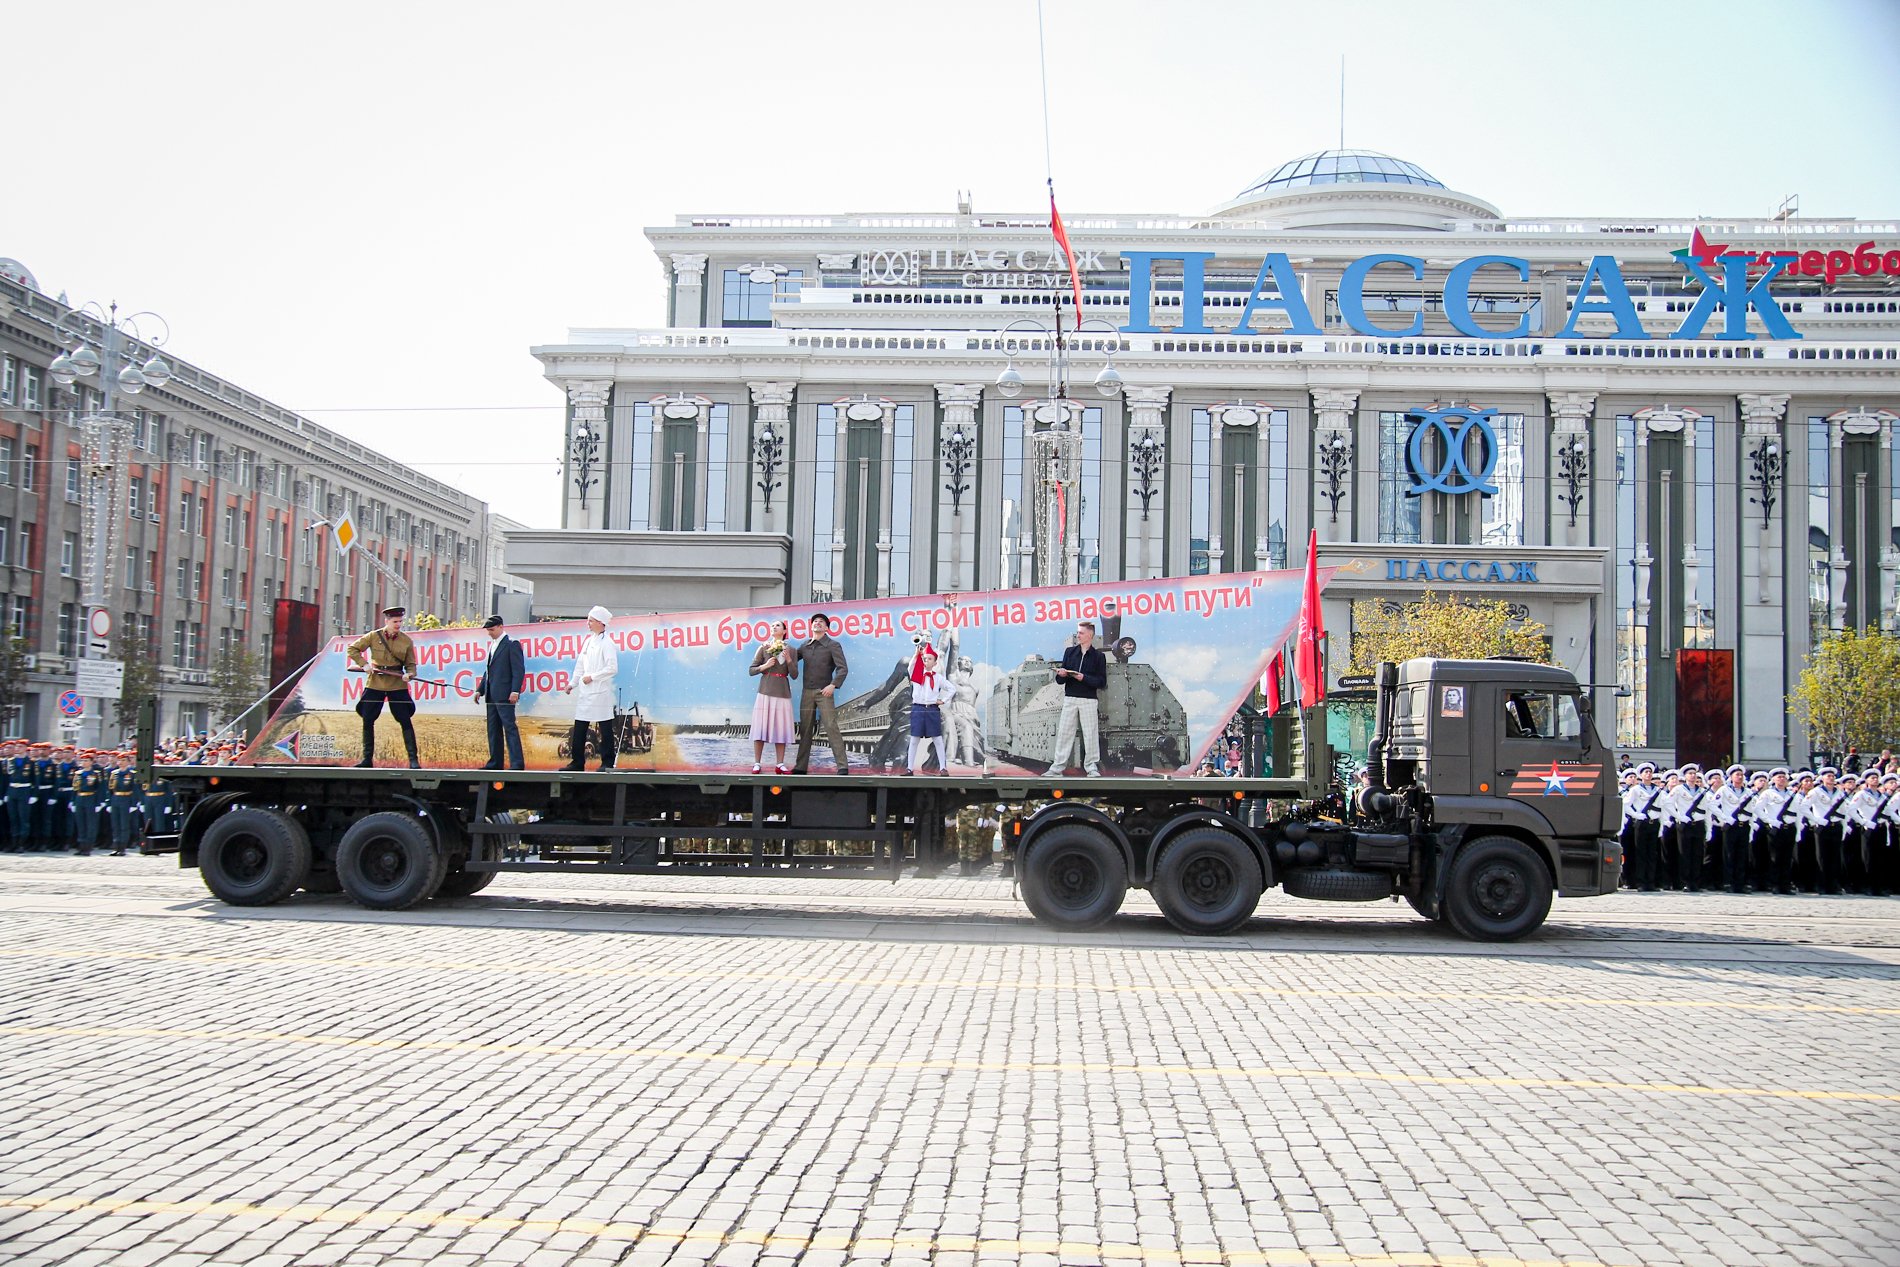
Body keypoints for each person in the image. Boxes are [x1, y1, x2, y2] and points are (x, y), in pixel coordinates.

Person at [347, 606, 421, 769]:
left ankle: (413, 760)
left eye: (400, 621)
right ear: (386, 621)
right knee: (368, 719)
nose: (398, 624)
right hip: (376, 683)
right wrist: (364, 664)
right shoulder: (374, 636)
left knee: (405, 720)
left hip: (397, 684)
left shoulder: (406, 640)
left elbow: (411, 664)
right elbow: (352, 649)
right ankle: (367, 760)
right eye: (395, 621)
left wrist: (409, 674)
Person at [792, 613, 851, 775]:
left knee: (831, 726)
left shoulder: (833, 645)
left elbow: (842, 669)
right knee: (805, 729)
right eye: (815, 621)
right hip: (807, 692)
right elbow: (790, 660)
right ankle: (800, 766)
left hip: (824, 692)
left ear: (826, 628)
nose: (817, 623)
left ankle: (842, 766)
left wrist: (833, 685)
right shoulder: (804, 646)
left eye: (821, 622)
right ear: (811, 626)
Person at [562, 605, 619, 771]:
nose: (588, 623)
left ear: (601, 623)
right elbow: (580, 665)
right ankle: (577, 762)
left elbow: (612, 668)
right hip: (586, 693)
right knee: (580, 727)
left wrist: (592, 677)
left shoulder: (607, 643)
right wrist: (572, 683)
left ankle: (607, 763)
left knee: (605, 727)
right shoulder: (588, 641)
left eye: (591, 620)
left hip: (600, 692)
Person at [1049, 620, 1107, 776]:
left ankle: (1091, 767)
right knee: (1064, 733)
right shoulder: (1069, 652)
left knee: (1090, 734)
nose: (1078, 635)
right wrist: (1061, 675)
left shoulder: (1099, 657)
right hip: (1070, 698)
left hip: (1088, 700)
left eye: (1081, 633)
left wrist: (1084, 678)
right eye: (1078, 632)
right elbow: (1060, 681)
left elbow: (1102, 682)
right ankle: (1057, 768)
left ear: (1090, 635)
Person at [475, 615, 526, 771]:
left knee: (509, 728)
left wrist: (515, 690)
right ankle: (495, 763)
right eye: (488, 630)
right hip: (491, 694)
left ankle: (517, 763)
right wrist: (480, 689)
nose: (489, 633)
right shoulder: (493, 645)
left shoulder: (511, 644)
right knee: (493, 729)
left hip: (505, 694)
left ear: (501, 626)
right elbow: (488, 671)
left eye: (491, 629)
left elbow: (518, 670)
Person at [748, 620, 798, 774]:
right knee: (760, 727)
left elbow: (795, 675)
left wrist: (789, 659)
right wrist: (765, 666)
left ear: (784, 631)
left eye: (778, 625)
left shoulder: (792, 650)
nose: (774, 627)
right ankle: (757, 763)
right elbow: (751, 670)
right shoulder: (763, 647)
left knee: (781, 728)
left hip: (782, 691)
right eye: (772, 625)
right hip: (765, 690)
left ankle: (780, 764)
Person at [905, 642, 955, 775]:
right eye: (924, 658)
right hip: (918, 709)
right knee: (914, 739)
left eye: (929, 659)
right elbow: (910, 667)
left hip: (932, 709)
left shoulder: (938, 678)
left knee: (937, 739)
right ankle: (909, 768)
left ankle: (943, 768)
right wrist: (916, 655)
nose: (926, 661)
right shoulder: (916, 675)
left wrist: (942, 700)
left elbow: (952, 689)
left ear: (935, 662)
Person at [70, 754, 104, 856]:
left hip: (91, 798)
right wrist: (73, 801)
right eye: (82, 760)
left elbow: (100, 789)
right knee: (80, 823)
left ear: (91, 762)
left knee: (90, 824)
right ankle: (81, 846)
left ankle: (88, 847)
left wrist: (99, 802)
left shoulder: (95, 774)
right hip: (80, 798)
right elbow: (75, 789)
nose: (83, 762)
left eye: (86, 760)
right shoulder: (78, 774)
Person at [106, 756, 141, 856]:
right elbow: (110, 789)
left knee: (124, 825)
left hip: (126, 799)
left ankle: (122, 847)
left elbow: (135, 789)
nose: (120, 762)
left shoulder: (132, 774)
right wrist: (109, 802)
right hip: (115, 799)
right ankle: (116, 846)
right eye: (119, 760)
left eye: (123, 760)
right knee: (115, 824)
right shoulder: (114, 773)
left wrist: (134, 804)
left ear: (128, 762)